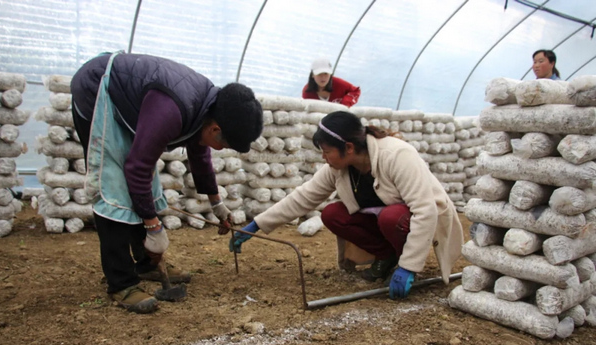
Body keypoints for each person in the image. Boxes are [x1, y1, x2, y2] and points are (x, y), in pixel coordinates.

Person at [70, 51, 263, 314]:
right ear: (216, 129)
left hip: (131, 97)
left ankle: (146, 263)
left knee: (142, 183)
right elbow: (137, 169)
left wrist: (217, 204)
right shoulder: (172, 109)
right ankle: (121, 282)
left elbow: (200, 154)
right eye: (224, 144)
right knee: (114, 184)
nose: (218, 149)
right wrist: (153, 227)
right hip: (98, 89)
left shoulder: (207, 108)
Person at [229, 111, 463, 299]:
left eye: (327, 151)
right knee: (332, 214)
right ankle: (386, 257)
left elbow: (425, 210)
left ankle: (402, 264)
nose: (324, 157)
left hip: (415, 220)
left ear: (348, 148)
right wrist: (257, 224)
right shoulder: (338, 168)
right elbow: (303, 197)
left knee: (391, 217)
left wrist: (409, 266)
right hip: (385, 220)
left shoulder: (396, 155)